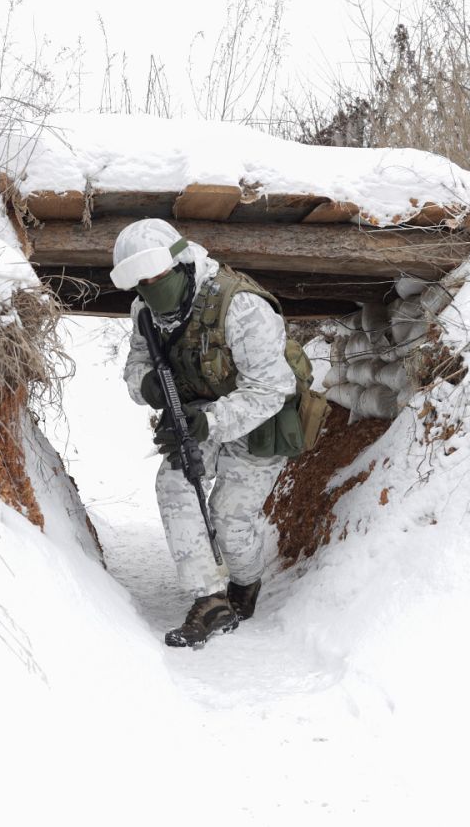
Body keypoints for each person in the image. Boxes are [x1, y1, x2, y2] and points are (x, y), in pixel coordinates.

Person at [110, 217, 303, 649]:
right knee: (174, 484)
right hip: (198, 413)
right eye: (141, 283)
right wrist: (148, 386)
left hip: (261, 419)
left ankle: (246, 584)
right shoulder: (145, 309)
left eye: (158, 278)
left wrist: (212, 422)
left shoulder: (242, 306)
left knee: (230, 519)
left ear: (181, 265)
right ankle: (210, 599)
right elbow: (137, 364)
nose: (150, 288)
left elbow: (273, 388)